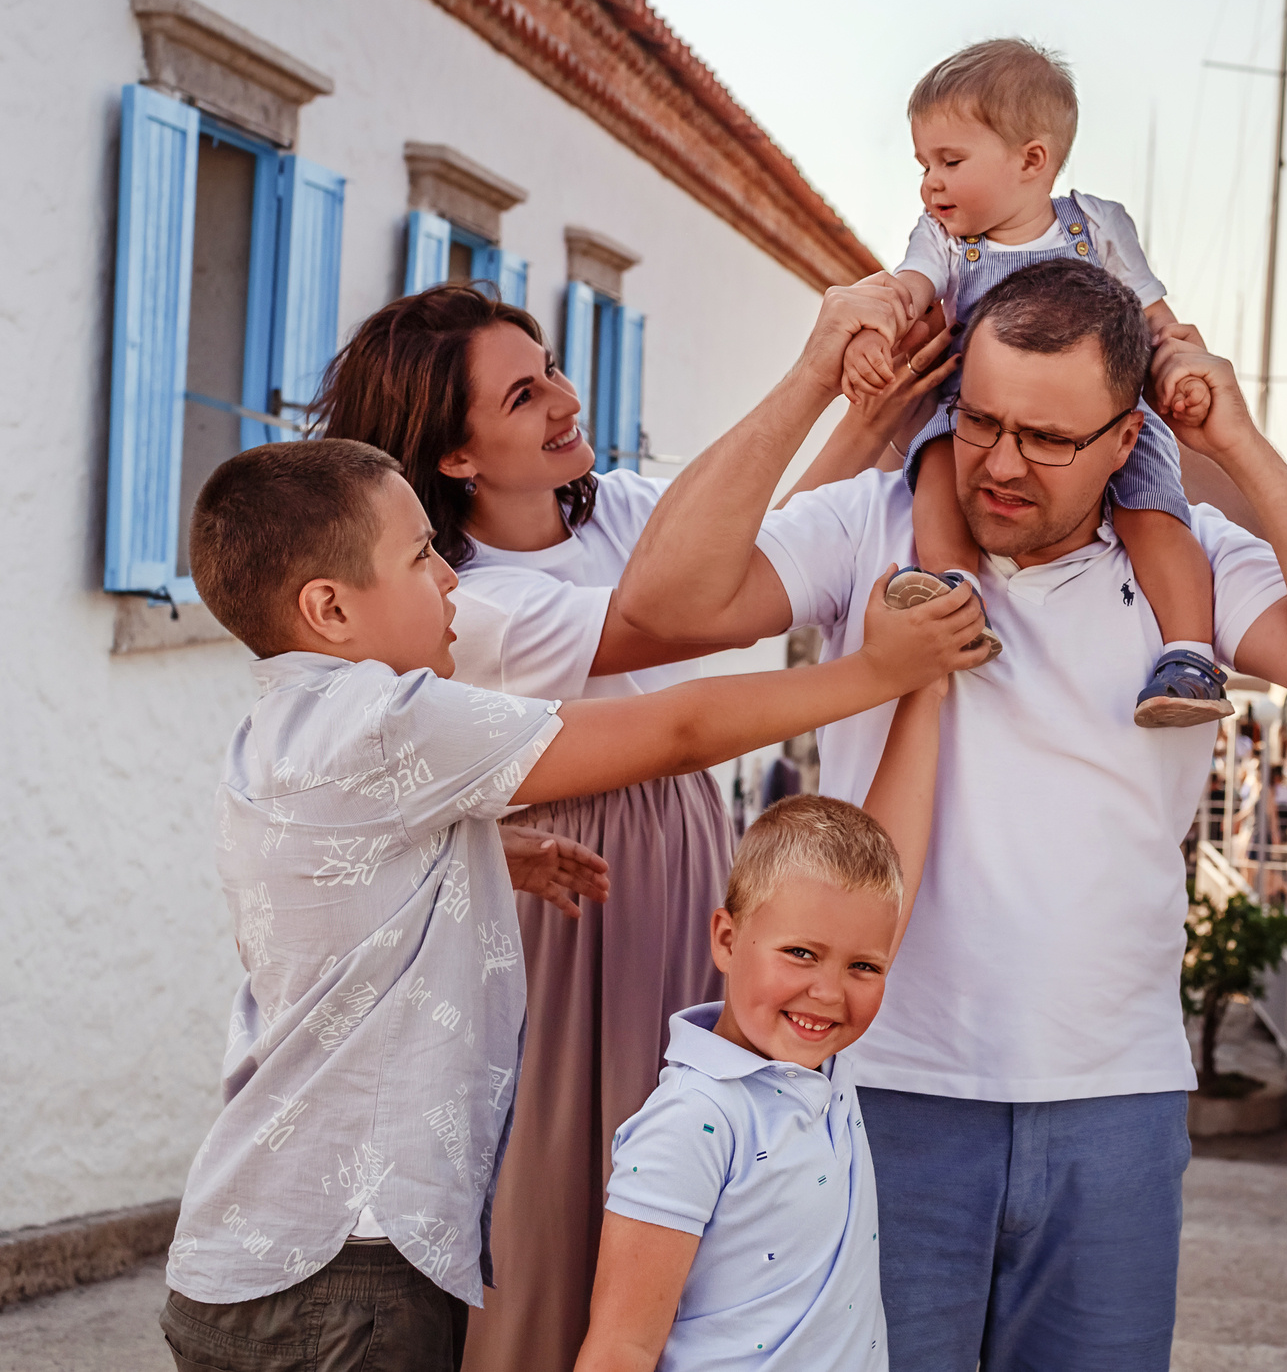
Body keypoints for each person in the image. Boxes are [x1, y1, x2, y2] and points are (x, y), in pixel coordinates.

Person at [613, 260, 1287, 1371]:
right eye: (980, 421)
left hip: (1115, 1102)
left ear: (1126, 433)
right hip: (882, 1086)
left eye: (1047, 438)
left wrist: (1238, 444)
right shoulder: (870, 525)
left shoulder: (1187, 563)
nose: (1000, 463)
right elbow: (662, 606)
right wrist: (814, 377)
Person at [156, 437, 989, 1372]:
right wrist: (878, 673)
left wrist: (489, 850)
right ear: (331, 607)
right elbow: (675, 729)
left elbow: (328, 874)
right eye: (421, 555)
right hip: (347, 1271)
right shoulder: (385, 719)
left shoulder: (279, 731)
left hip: (260, 1246)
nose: (450, 581)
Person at [317, 284, 756, 1372]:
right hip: (557, 886)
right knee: (556, 1186)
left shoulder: (614, 509)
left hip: (684, 853)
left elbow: (773, 531)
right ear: (457, 458)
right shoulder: (469, 602)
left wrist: (876, 397)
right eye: (523, 395)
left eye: (551, 366)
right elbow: (668, 629)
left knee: (689, 1170)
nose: (564, 398)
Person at [831, 38, 1233, 728]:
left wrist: (1178, 369)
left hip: (1098, 419)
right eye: (924, 164)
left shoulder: (1098, 226)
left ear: (1032, 160)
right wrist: (875, 327)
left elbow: (1157, 318)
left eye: (950, 162)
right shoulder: (942, 240)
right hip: (972, 413)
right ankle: (957, 593)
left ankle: (1189, 652)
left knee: (1156, 507)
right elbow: (906, 289)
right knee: (933, 468)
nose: (930, 182)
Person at [577, 691, 946, 1370]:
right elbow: (620, 1345)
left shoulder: (830, 1072)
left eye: (863, 965)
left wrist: (927, 689)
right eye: (800, 953)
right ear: (725, 937)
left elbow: (895, 875)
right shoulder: (689, 1121)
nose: (828, 992)